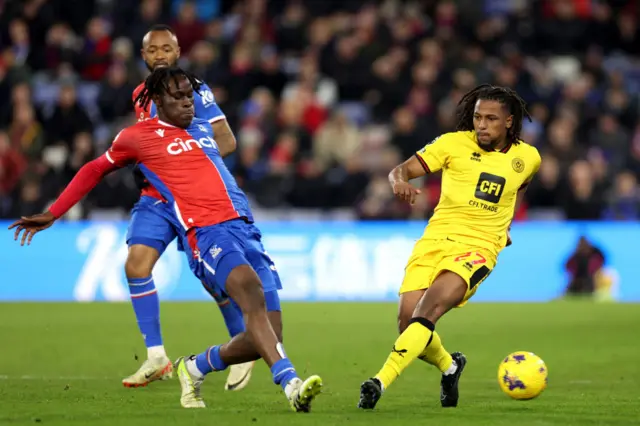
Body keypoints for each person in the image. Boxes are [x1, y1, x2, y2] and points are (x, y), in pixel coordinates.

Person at [10, 66, 323, 412]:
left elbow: (226, 144)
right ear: (158, 100)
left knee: (268, 337)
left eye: (190, 95)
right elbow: (95, 169)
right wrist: (54, 212)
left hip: (245, 228)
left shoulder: (203, 128)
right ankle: (291, 383)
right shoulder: (138, 137)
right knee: (248, 292)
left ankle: (195, 367)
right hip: (206, 234)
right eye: (178, 97)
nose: (189, 103)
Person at [357, 84, 541, 410]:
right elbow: (402, 169)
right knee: (406, 322)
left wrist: (506, 225)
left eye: (491, 119)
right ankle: (450, 366)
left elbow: (519, 187)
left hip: (478, 247)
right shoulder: (451, 144)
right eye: (477, 117)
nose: (481, 125)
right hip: (434, 240)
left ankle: (379, 382)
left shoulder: (527, 158)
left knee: (427, 312)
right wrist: (399, 182)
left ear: (509, 122)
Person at [127, 24, 254, 390]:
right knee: (136, 265)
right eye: (153, 50)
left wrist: (182, 162)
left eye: (167, 49)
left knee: (216, 282)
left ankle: (242, 349)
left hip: (192, 199)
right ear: (144, 56)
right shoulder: (139, 95)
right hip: (156, 198)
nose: (161, 55)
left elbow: (226, 141)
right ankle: (156, 358)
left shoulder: (194, 90)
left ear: (178, 52)